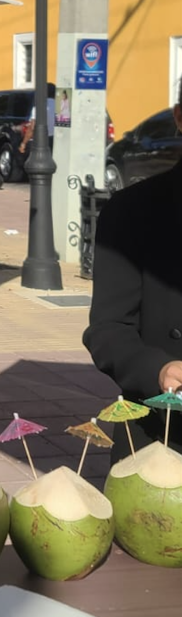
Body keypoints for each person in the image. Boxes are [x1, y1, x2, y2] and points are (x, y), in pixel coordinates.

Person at [82, 77, 182, 464]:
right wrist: (158, 370)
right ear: (179, 118)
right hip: (159, 435)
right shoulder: (132, 212)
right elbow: (108, 330)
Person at [19, 82, 56, 153]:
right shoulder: (59, 106)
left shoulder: (39, 105)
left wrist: (24, 143)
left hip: (41, 141)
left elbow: (32, 127)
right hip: (55, 141)